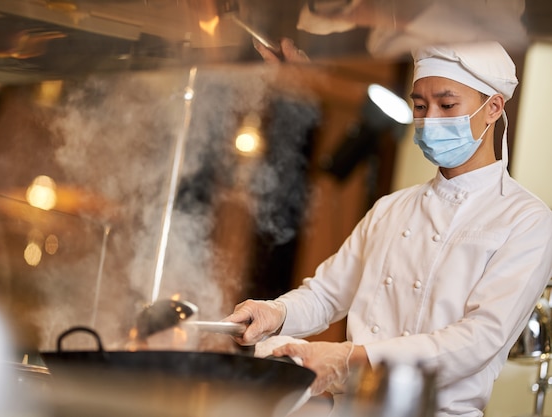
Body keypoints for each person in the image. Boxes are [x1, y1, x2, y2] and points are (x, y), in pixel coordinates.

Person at [225, 40, 552, 416]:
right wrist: (276, 313)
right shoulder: (391, 208)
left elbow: (477, 340)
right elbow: (328, 294)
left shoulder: (526, 219)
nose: (430, 118)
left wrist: (351, 358)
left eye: (447, 105)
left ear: (493, 108)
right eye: (419, 105)